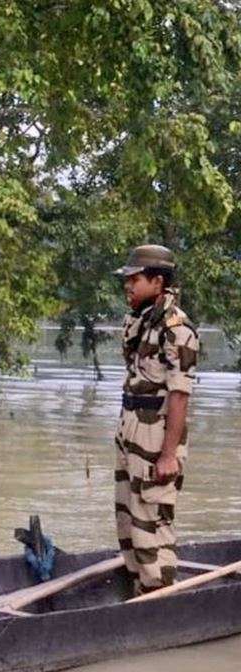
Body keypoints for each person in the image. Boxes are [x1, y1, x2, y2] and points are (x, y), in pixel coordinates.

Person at [112, 245, 198, 596]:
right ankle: (139, 591)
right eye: (127, 280)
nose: (128, 286)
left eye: (135, 279)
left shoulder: (178, 329)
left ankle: (160, 597)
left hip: (156, 437)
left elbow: (179, 397)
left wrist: (168, 455)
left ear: (157, 282)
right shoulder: (141, 321)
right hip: (130, 429)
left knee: (151, 524)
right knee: (127, 521)